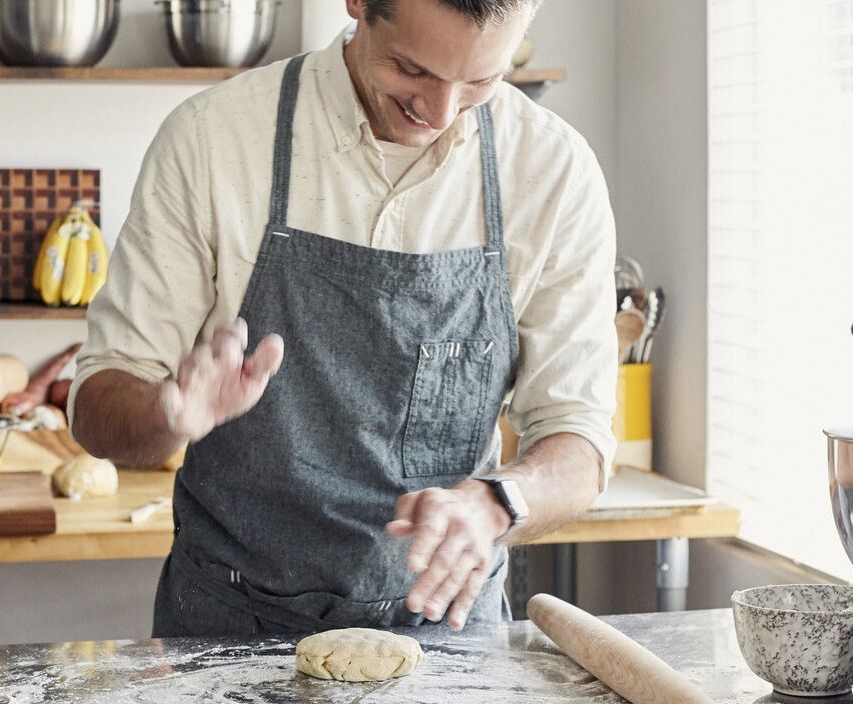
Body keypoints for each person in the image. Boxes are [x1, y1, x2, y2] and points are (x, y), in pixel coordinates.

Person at [68, 0, 617, 637]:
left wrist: (500, 502)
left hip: (450, 633)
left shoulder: (553, 170)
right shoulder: (213, 138)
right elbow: (99, 401)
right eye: (412, 69)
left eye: (479, 84)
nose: (437, 114)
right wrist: (167, 412)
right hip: (230, 631)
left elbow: (578, 438)